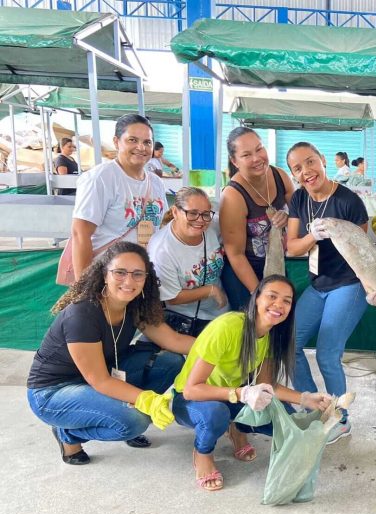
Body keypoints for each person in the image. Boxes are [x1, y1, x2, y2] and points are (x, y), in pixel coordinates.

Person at [27, 242, 194, 464]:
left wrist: (218, 347)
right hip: (53, 392)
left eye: (137, 274)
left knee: (170, 362)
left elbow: (173, 340)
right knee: (134, 421)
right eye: (120, 272)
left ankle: (114, 410)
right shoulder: (82, 314)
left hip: (100, 375)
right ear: (105, 274)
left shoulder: (135, 305)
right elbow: (100, 381)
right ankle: (67, 433)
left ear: (146, 278)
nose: (129, 281)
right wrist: (145, 399)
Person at [172, 274, 333, 491]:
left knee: (286, 421)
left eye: (287, 301)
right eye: (272, 296)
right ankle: (203, 453)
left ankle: (237, 429)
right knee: (215, 415)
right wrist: (242, 394)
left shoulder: (271, 335)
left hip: (232, 396)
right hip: (190, 400)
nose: (279, 305)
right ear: (256, 298)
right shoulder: (228, 326)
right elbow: (192, 390)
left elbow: (267, 385)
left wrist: (305, 398)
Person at [286, 141, 376, 445]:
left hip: (347, 284)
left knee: (327, 353)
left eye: (310, 162)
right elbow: (292, 246)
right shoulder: (299, 198)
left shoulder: (349, 201)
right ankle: (316, 406)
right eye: (298, 168)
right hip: (318, 284)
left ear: (323, 160)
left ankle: (340, 420)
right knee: (289, 344)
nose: (306, 171)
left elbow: (363, 252)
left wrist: (372, 287)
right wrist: (312, 235)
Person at [70, 113, 168, 280]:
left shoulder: (156, 182)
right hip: (108, 277)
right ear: (116, 142)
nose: (141, 147)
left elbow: (163, 225)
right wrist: (84, 289)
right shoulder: (101, 179)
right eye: (132, 140)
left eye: (147, 142)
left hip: (143, 276)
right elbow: (80, 234)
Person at [219, 127, 293, 310]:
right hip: (245, 272)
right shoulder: (233, 196)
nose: (257, 158)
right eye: (246, 155)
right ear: (234, 161)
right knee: (252, 324)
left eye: (259, 149)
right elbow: (235, 253)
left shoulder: (279, 175)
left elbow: (299, 213)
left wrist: (289, 217)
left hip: (278, 265)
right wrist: (259, 293)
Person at [147, 187, 229, 337]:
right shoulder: (162, 251)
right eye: (192, 213)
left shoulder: (214, 226)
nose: (200, 220)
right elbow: (172, 297)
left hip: (220, 313)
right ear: (175, 212)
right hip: (186, 321)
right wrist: (210, 290)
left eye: (205, 214)